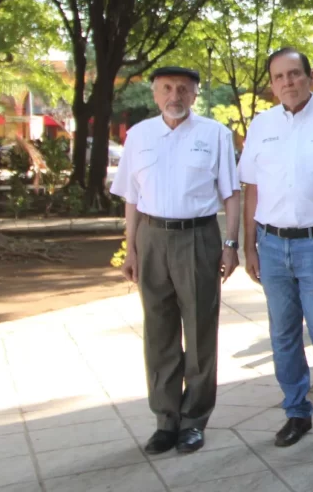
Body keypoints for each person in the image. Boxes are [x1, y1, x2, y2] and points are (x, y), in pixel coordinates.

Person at [111, 66, 241, 455]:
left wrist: (231, 243)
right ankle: (165, 419)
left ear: (195, 94)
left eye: (184, 89)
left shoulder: (214, 134)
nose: (175, 96)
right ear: (154, 94)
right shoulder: (139, 136)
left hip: (199, 236)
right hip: (151, 237)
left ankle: (194, 419)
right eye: (167, 88)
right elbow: (131, 198)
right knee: (159, 330)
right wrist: (130, 248)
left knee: (200, 328)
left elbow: (232, 195)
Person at [240, 48, 313, 451]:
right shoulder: (261, 125)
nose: (287, 82)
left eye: (294, 74)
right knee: (282, 333)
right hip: (270, 245)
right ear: (272, 85)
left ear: (309, 77)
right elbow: (251, 188)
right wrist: (248, 246)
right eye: (279, 77)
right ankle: (296, 412)